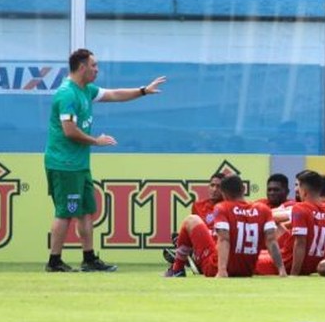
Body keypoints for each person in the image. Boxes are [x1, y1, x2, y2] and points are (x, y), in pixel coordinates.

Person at [44, 48, 166, 273]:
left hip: (80, 164)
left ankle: (89, 259)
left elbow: (115, 94)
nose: (97, 70)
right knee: (65, 212)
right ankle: (54, 261)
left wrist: (143, 91)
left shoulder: (86, 90)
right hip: (64, 164)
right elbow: (69, 131)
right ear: (82, 67)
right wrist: (96, 141)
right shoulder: (67, 94)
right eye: (94, 65)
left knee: (86, 211)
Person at [165, 174, 285, 278]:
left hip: (216, 266)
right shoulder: (263, 209)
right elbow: (271, 241)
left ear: (223, 193)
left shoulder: (223, 208)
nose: (214, 189)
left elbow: (224, 239)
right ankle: (191, 254)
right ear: (244, 189)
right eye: (212, 185)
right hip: (247, 270)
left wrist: (222, 271)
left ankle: (177, 268)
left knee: (191, 220)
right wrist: (282, 270)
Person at [256, 170, 325, 276]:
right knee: (262, 252)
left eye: (298, 186)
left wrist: (294, 274)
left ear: (304, 191)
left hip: (287, 263)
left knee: (247, 258)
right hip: (313, 264)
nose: (296, 190)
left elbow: (300, 243)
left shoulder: (300, 208)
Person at [163, 172, 224, 266]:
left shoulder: (229, 207)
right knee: (181, 236)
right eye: (212, 185)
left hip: (220, 247)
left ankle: (186, 258)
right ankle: (190, 257)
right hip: (203, 247)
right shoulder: (198, 206)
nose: (214, 189)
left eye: (218, 186)